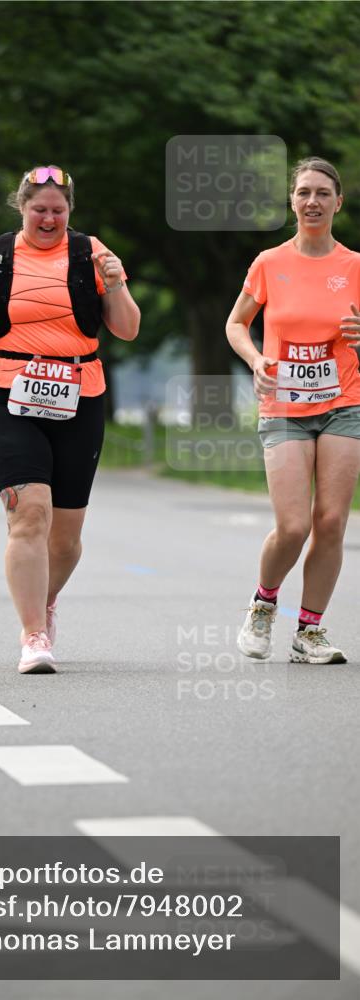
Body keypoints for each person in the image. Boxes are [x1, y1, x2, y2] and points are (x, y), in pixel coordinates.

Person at [0, 165, 140, 673]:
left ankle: (45, 599)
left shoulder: (90, 252)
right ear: (22, 208)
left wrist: (115, 284)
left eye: (58, 210)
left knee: (66, 537)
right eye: (39, 209)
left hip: (79, 395)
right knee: (30, 513)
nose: (49, 219)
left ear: (70, 211)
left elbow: (126, 329)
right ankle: (33, 634)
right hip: (8, 394)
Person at [227, 157, 360, 665]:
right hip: (284, 405)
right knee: (294, 526)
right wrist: (255, 359)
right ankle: (264, 603)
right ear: (292, 201)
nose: (312, 201)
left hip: (344, 401)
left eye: (323, 193)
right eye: (304, 192)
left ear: (338, 202)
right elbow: (236, 324)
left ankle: (310, 631)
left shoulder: (354, 267)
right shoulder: (269, 263)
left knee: (331, 521)